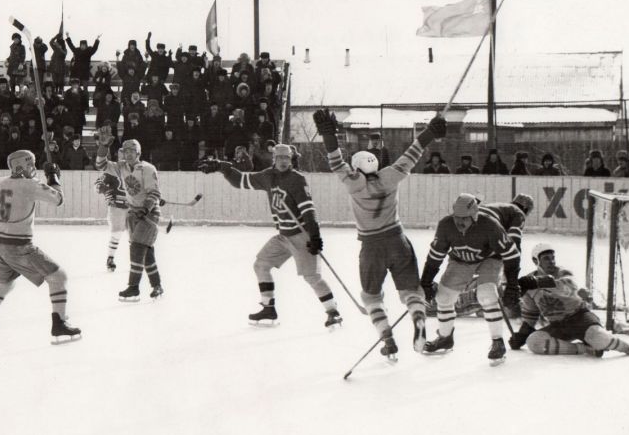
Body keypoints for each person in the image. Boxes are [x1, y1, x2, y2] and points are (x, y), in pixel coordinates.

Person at [313, 109, 446, 360]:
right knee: (411, 291)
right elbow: (412, 154)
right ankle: (418, 318)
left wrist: (329, 135)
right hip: (398, 240)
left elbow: (335, 160)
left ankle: (387, 338)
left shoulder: (354, 183)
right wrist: (429, 132)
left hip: (371, 246)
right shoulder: (390, 176)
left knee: (371, 296)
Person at [199, 143, 341, 329]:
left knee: (312, 277)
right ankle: (268, 308)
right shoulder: (268, 176)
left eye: (287, 158)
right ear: (274, 159)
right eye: (280, 158)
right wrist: (222, 167)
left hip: (301, 235)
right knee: (261, 264)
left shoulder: (296, 180)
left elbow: (308, 210)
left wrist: (314, 236)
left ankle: (333, 312)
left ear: (291, 159)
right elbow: (240, 180)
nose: (283, 161)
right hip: (283, 236)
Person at [0, 150, 81, 344]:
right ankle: (59, 325)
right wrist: (53, 176)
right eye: (31, 164)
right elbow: (58, 199)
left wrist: (5, 226)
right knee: (58, 277)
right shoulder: (31, 185)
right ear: (22, 166)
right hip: (19, 246)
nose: (34, 168)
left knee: (5, 282)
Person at [420, 193, 522, 365]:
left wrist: (512, 285)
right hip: (461, 259)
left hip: (490, 258)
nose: (459, 222)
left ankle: (498, 342)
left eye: (465, 218)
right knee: (444, 297)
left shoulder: (490, 225)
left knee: (487, 294)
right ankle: (445, 337)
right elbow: (435, 256)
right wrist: (426, 282)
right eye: (456, 217)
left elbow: (512, 256)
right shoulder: (446, 225)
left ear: (474, 216)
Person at [508, 244, 629, 358]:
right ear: (536, 261)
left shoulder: (563, 273)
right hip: (558, 325)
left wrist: (538, 282)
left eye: (553, 257)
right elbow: (531, 313)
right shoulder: (529, 284)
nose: (551, 261)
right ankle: (586, 349)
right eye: (546, 258)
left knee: (599, 338)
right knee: (534, 342)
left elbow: (565, 287)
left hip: (581, 318)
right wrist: (522, 334)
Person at [95, 128, 164, 301]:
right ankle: (157, 286)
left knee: (137, 247)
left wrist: (145, 208)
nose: (128, 153)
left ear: (138, 152)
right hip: (133, 213)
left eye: (132, 151)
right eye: (125, 151)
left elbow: (154, 194)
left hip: (150, 214)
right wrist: (103, 147)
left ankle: (133, 288)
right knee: (146, 251)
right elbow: (101, 165)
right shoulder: (121, 167)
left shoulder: (148, 169)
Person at [95, 166, 128, 272]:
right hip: (116, 207)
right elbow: (98, 184)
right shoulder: (111, 171)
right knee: (117, 234)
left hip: (132, 207)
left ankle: (137, 261)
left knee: (135, 235)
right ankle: (110, 258)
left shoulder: (135, 170)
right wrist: (106, 192)